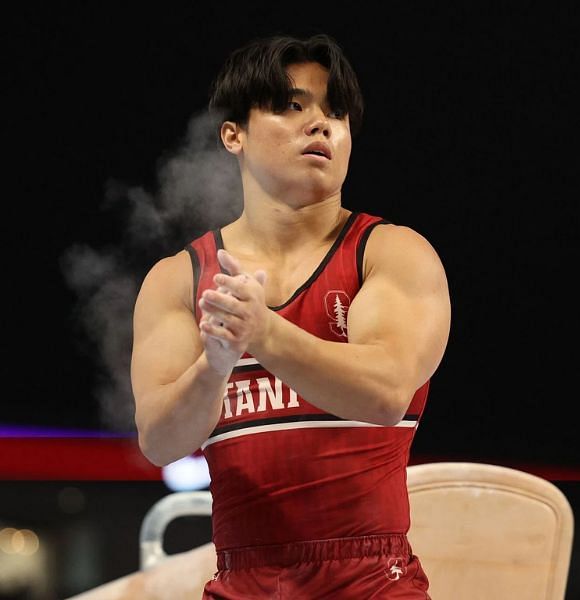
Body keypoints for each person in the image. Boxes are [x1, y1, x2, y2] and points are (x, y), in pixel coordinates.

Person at [130, 34, 451, 599]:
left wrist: (264, 332)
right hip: (242, 582)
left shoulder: (390, 253)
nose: (321, 124)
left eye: (336, 112)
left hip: (371, 581)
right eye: (292, 106)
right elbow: (159, 441)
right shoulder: (177, 279)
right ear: (234, 134)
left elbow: (383, 394)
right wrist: (214, 366)